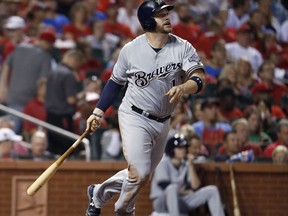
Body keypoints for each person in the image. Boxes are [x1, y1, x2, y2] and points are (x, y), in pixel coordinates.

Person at [85, 1, 206, 215]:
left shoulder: (183, 47)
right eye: (160, 14)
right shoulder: (131, 50)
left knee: (141, 176)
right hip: (135, 115)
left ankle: (98, 193)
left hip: (163, 120)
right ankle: (124, 210)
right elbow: (115, 82)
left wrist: (184, 87)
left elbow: (199, 79)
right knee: (139, 174)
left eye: (167, 13)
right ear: (148, 21)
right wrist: (98, 111)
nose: (167, 17)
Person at [150, 134, 225, 216]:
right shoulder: (163, 162)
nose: (183, 150)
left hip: (180, 200)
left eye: (184, 148)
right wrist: (184, 192)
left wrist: (190, 165)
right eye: (180, 148)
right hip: (162, 203)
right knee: (172, 188)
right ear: (172, 149)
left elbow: (195, 186)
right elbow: (164, 185)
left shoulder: (185, 164)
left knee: (212, 190)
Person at [45, 49, 85, 156]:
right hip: (62, 117)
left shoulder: (53, 71)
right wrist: (83, 94)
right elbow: (71, 99)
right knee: (65, 150)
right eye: (78, 63)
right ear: (75, 60)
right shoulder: (68, 74)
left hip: (50, 116)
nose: (78, 66)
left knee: (53, 150)